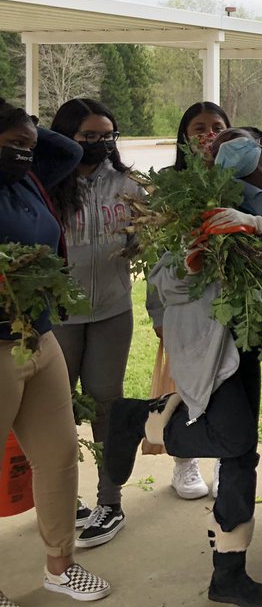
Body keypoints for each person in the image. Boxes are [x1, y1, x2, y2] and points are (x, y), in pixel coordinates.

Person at [104, 126, 262, 607]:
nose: (223, 146)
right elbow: (165, 278)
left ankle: (228, 572)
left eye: (235, 137)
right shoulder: (197, 200)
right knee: (236, 440)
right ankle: (134, 422)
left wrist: (259, 226)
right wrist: (194, 261)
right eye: (213, 142)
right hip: (210, 335)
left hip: (251, 337)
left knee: (240, 454)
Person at [0, 98, 112, 602]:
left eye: (28, 146)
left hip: (39, 338)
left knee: (59, 455)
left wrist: (25, 131)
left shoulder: (30, 178)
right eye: (14, 146)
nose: (26, 153)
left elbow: (67, 147)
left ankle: (59, 566)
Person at [47, 98, 144, 549]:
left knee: (107, 407)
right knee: (55, 412)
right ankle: (64, 497)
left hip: (111, 312)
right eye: (89, 136)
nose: (100, 144)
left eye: (108, 135)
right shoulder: (45, 184)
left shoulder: (129, 185)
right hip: (57, 317)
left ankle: (111, 501)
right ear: (66, 137)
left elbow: (147, 238)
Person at [146, 101, 232, 501]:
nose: (209, 134)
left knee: (229, 384)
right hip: (182, 304)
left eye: (217, 126)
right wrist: (157, 310)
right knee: (186, 383)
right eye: (199, 127)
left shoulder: (239, 179)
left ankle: (225, 461)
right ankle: (185, 461)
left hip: (229, 303)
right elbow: (152, 254)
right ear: (184, 138)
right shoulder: (168, 185)